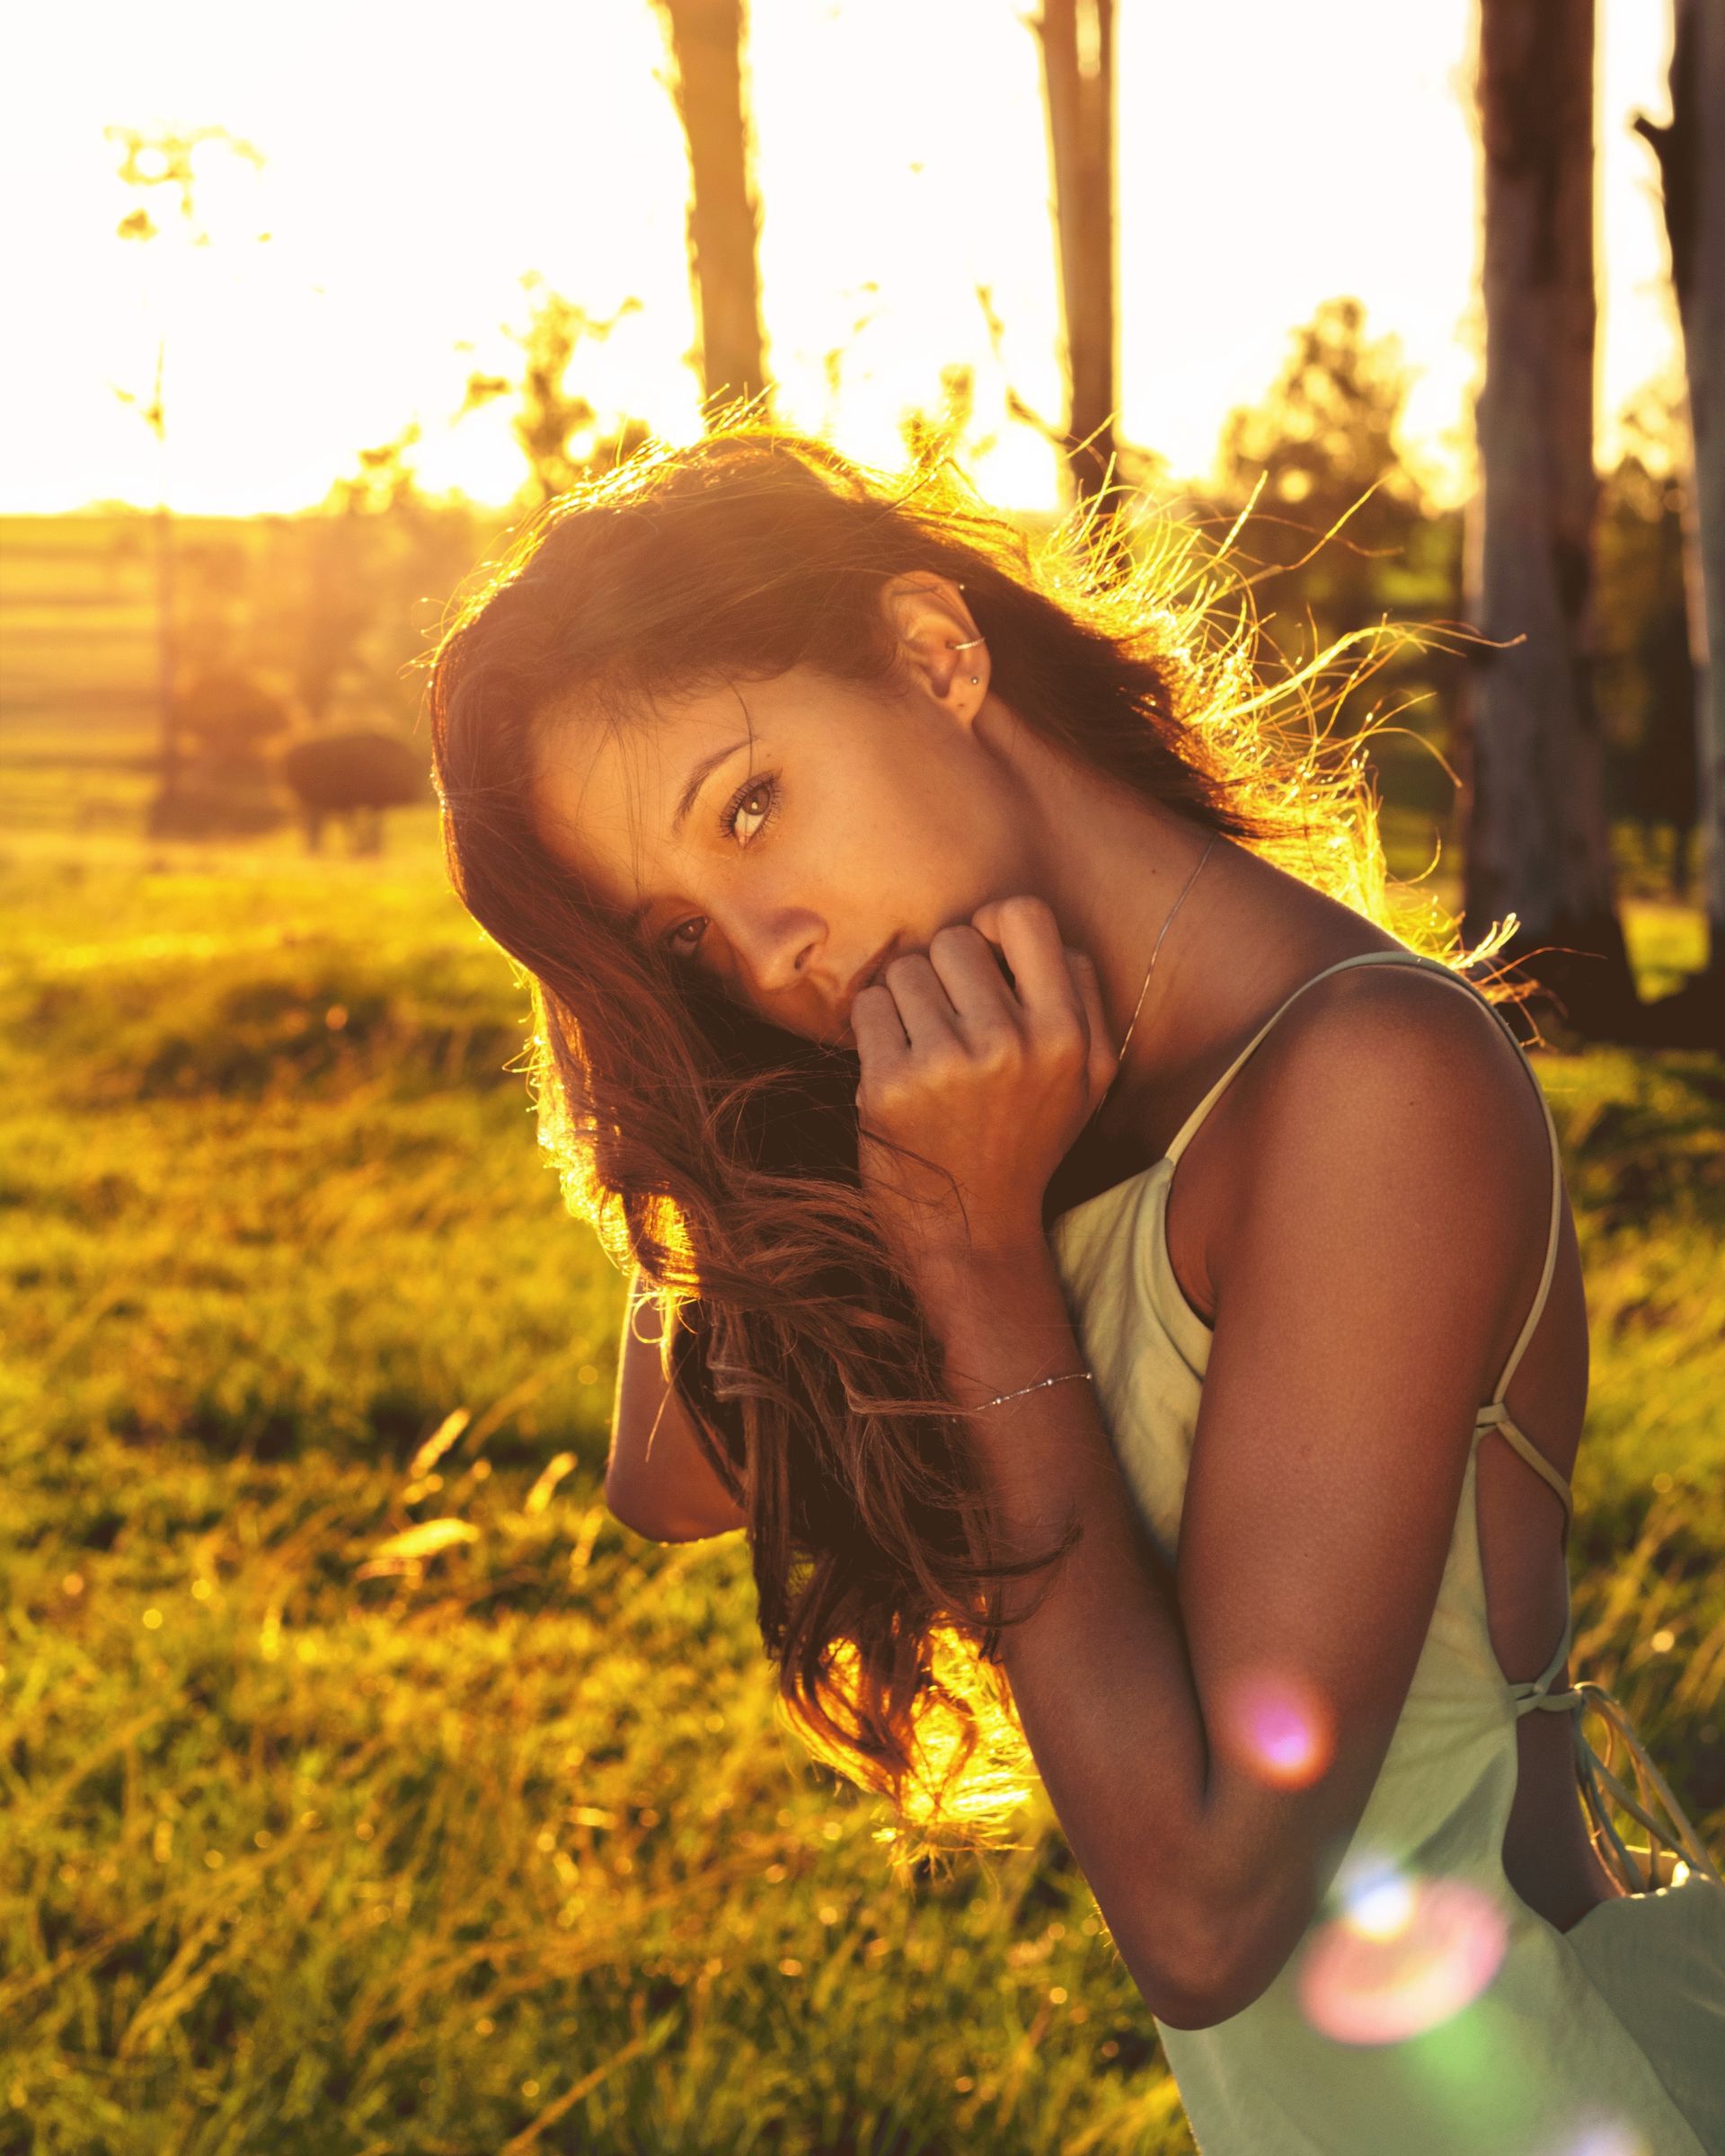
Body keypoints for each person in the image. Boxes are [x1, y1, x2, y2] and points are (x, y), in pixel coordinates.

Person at [427, 421, 1725, 2154]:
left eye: (752, 807)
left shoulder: (1370, 1081)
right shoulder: (1008, 1111)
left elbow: (1207, 1915)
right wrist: (680, 1075)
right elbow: (671, 1478)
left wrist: (975, 1255)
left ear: (933, 652)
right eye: (686, 936)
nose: (769, 952)